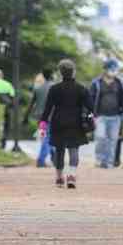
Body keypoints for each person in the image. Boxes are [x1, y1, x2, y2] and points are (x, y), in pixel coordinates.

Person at [39, 59, 93, 189]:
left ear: (60, 73)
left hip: (58, 123)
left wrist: (43, 124)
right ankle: (72, 176)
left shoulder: (54, 89)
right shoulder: (81, 89)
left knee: (59, 150)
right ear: (73, 72)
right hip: (76, 123)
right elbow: (91, 107)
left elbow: (47, 108)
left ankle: (59, 178)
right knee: (73, 149)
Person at [90, 58, 123, 169]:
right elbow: (90, 99)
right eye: (111, 69)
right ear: (105, 70)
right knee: (100, 137)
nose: (113, 71)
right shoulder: (96, 83)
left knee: (112, 140)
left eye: (115, 69)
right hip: (100, 116)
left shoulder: (120, 83)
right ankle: (99, 159)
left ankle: (109, 162)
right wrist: (90, 114)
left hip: (116, 117)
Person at [25, 70, 54, 167]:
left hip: (41, 117)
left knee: (46, 136)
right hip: (53, 116)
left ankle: (54, 158)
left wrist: (25, 117)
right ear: (51, 76)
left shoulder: (38, 88)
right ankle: (41, 160)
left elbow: (31, 104)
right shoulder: (55, 87)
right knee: (49, 137)